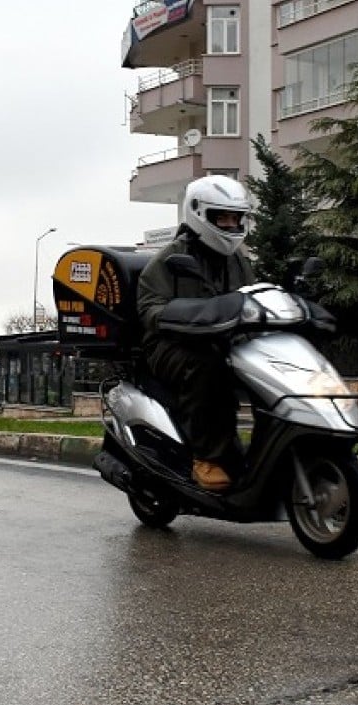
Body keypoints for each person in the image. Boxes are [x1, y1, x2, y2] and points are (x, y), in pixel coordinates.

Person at [136, 176, 256, 491]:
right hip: (169, 346)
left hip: (222, 341)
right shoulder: (168, 260)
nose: (230, 225)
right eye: (222, 217)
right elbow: (150, 309)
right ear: (199, 214)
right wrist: (181, 315)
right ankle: (207, 458)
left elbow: (253, 296)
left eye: (235, 218)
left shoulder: (238, 262)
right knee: (208, 368)